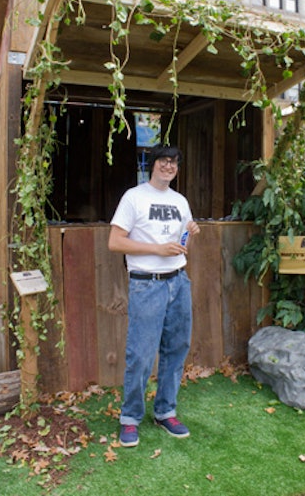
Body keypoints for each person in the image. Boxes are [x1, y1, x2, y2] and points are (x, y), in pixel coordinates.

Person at [108, 143, 200, 448]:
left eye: (174, 162)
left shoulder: (180, 201)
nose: (169, 166)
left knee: (176, 348)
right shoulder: (134, 197)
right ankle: (130, 418)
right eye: (163, 160)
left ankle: (165, 411)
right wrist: (156, 250)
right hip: (146, 283)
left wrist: (189, 234)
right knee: (142, 353)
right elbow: (115, 242)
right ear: (153, 164)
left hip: (179, 281)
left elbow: (180, 242)